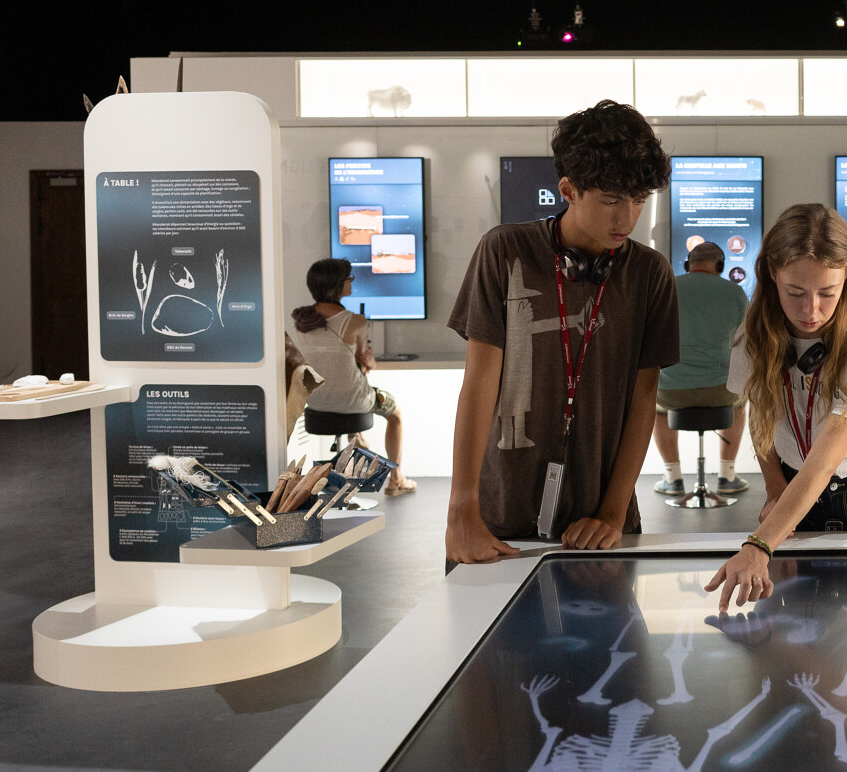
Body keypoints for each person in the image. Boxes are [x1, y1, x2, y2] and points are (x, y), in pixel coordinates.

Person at [446, 100, 679, 564]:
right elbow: (479, 382)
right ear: (568, 189)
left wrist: (612, 513)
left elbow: (643, 399)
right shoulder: (504, 250)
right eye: (612, 200)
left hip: (601, 521)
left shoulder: (650, 273)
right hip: (499, 514)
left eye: (638, 201)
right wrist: (461, 509)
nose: (627, 219)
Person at [707, 203, 847, 613]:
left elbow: (822, 462)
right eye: (795, 293)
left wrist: (759, 544)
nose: (811, 311)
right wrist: (773, 487)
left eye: (827, 293)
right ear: (771, 274)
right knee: (793, 638)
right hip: (793, 493)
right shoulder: (752, 338)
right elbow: (762, 418)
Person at [289, 257, 415, 494]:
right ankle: (396, 479)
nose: (352, 281)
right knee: (395, 413)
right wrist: (366, 359)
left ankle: (355, 446)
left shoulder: (301, 320)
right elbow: (368, 362)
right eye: (349, 278)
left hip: (314, 402)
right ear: (337, 284)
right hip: (351, 402)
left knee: (349, 391)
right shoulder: (354, 320)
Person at [653, 240, 750, 496]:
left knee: (657, 409)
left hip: (672, 392)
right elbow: (747, 342)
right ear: (720, 265)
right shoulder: (735, 293)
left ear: (688, 265)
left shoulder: (668, 287)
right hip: (721, 391)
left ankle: (672, 478)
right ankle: (727, 476)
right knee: (739, 403)